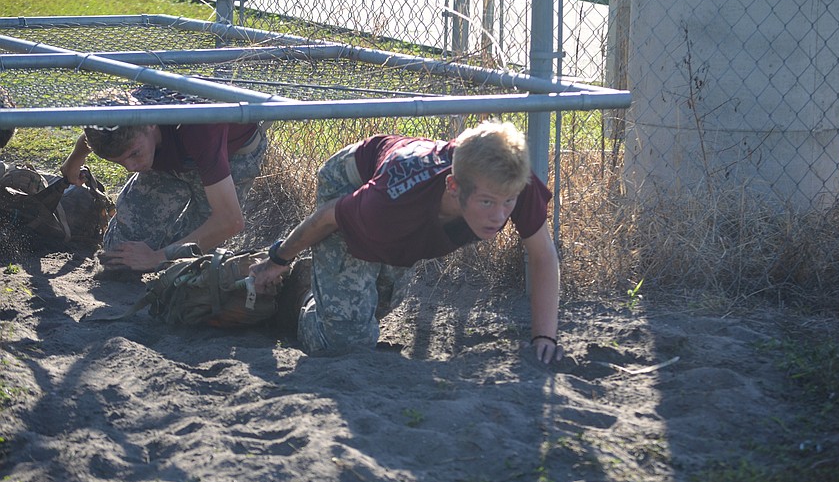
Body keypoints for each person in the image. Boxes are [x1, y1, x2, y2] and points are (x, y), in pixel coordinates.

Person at [250, 120, 563, 364]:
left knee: (379, 302)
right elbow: (328, 217)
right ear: (454, 187)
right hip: (351, 181)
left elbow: (542, 256)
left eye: (508, 202)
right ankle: (300, 296)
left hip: (402, 217)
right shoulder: (390, 201)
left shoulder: (512, 181)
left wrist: (544, 338)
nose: (499, 215)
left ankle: (326, 285)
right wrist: (278, 260)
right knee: (344, 343)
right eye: (486, 203)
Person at [60, 89, 269, 272]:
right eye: (118, 161)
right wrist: (74, 161)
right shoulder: (130, 117)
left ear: (151, 123)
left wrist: (157, 257)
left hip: (230, 156)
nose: (131, 168)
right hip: (168, 156)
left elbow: (229, 220)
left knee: (188, 262)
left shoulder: (199, 127)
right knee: (118, 258)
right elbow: (99, 134)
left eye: (134, 154)